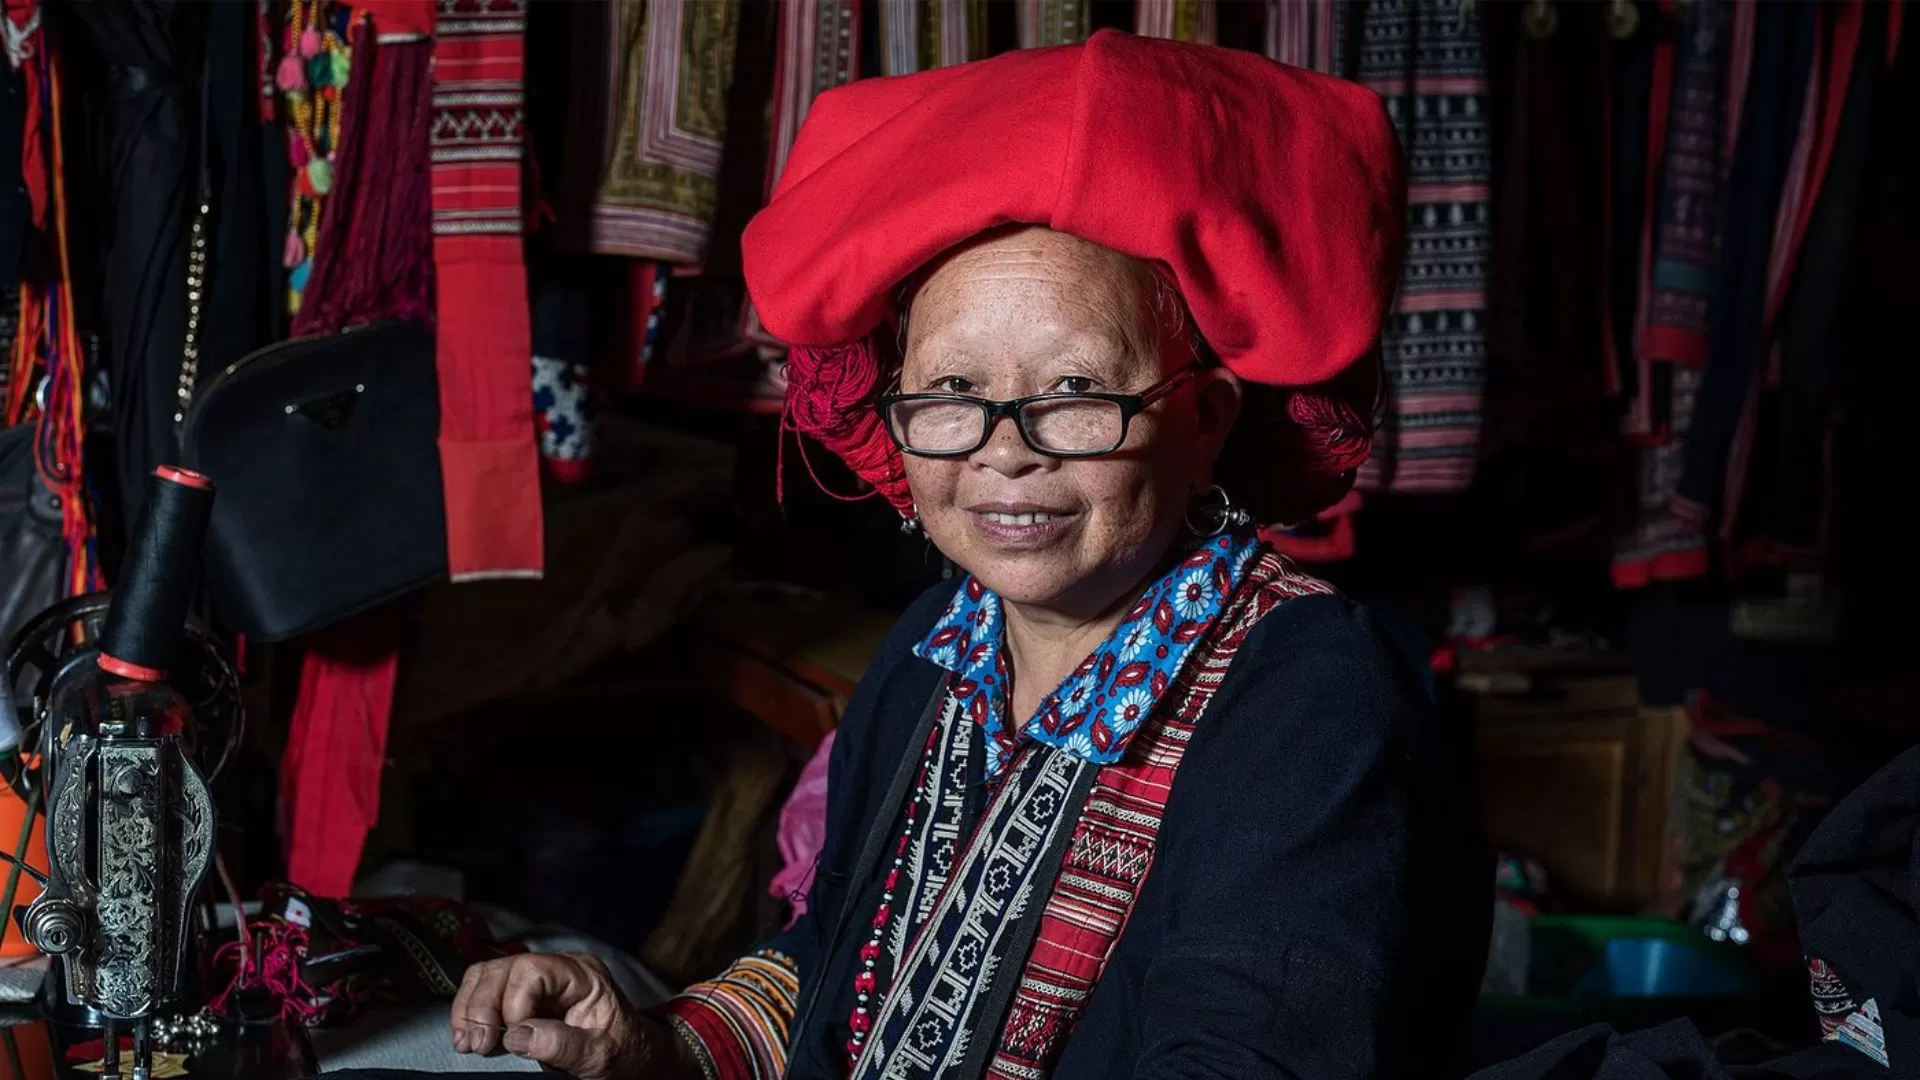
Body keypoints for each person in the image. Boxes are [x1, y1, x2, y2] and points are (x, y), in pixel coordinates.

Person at [451, 29, 1489, 1080]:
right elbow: (838, 976)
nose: (1004, 454)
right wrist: (656, 1041)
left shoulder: (1307, 695)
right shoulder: (936, 652)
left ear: (1206, 418)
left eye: (1075, 395)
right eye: (950, 395)